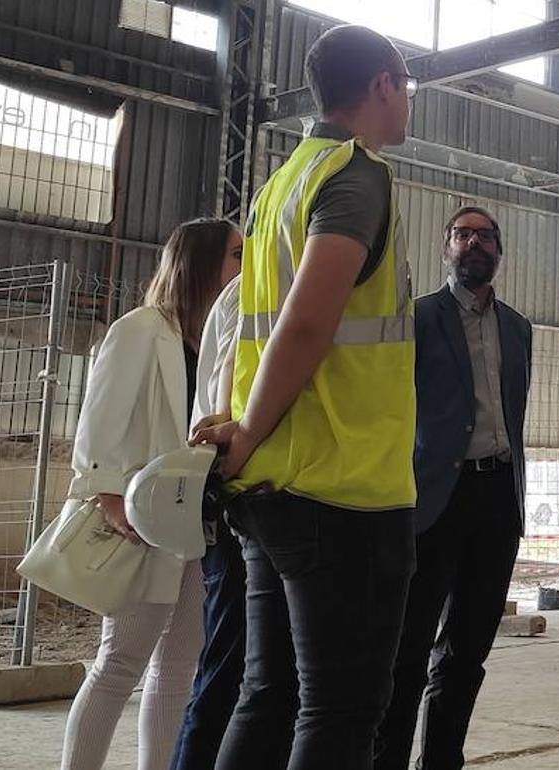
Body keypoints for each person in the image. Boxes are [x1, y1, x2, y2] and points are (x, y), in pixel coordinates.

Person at [192, 23, 419, 770]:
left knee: (271, 695)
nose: (408, 101)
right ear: (382, 84)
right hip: (340, 487)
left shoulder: (280, 183)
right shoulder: (357, 177)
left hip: (278, 486)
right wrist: (250, 428)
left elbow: (250, 326)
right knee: (342, 711)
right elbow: (309, 320)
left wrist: (248, 435)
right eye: (405, 86)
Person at [59, 218, 241, 770]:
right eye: (236, 253)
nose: (246, 264)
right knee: (119, 663)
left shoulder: (214, 339)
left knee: (177, 668)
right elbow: (99, 420)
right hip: (139, 520)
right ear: (203, 262)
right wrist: (110, 500)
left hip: (194, 522)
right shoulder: (140, 329)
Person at [374, 205, 532, 770]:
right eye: (462, 234)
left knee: (467, 653)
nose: (474, 243)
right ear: (446, 248)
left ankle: (442, 760)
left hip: (496, 502)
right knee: (407, 652)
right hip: (433, 501)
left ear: (498, 252)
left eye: (485, 236)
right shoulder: (416, 319)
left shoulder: (518, 328)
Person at [167, 269, 242, 770]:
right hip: (241, 503)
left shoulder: (244, 298)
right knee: (223, 673)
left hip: (243, 504)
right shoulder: (249, 298)